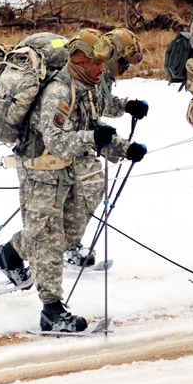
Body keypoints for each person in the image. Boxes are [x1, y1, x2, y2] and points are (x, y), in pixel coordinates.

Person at [0, 29, 148, 332]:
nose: (102, 69)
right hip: (41, 171)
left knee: (69, 233)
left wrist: (125, 148)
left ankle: (9, 253)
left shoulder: (85, 88)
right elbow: (57, 140)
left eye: (104, 64)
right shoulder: (59, 92)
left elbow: (93, 127)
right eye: (96, 64)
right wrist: (93, 137)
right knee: (48, 238)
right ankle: (52, 309)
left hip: (67, 169)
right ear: (78, 60)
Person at [62, 27, 148, 268]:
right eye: (123, 63)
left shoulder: (98, 76)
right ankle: (62, 245)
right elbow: (91, 120)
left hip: (75, 140)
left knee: (81, 190)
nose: (125, 69)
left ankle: (66, 244)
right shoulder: (88, 74)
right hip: (63, 144)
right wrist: (120, 147)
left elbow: (100, 108)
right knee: (90, 185)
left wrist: (126, 106)